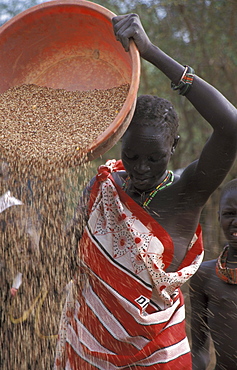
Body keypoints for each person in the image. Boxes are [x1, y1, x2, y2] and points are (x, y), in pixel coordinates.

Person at [54, 13, 237, 370]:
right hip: (87, 347)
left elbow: (231, 128)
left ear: (174, 147)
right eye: (132, 155)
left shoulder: (185, 193)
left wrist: (152, 52)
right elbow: (67, 249)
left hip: (158, 356)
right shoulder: (106, 183)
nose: (140, 168)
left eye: (153, 158)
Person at [190, 179, 237, 370]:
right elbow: (199, 350)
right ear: (218, 217)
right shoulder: (204, 275)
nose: (236, 222)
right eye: (229, 214)